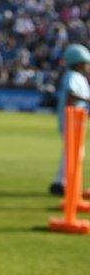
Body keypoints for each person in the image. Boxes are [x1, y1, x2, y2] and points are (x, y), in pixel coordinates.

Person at [49, 44, 90, 196]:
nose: (88, 67)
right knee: (73, 152)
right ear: (79, 63)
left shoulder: (80, 78)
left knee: (72, 152)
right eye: (86, 63)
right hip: (70, 120)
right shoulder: (72, 76)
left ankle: (60, 182)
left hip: (77, 121)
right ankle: (61, 183)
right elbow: (71, 95)